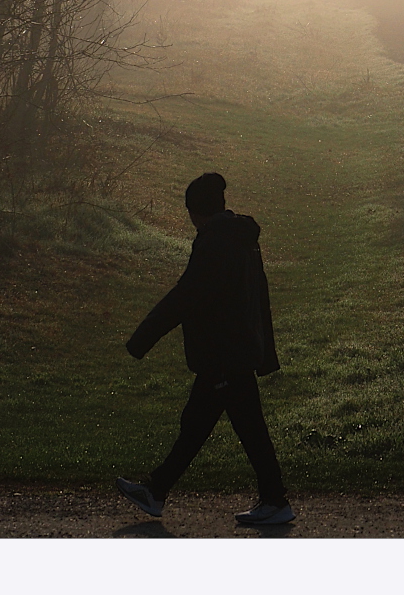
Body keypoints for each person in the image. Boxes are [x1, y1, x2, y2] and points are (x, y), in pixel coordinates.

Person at [115, 172, 293, 527]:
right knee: (201, 425)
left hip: (223, 354)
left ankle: (274, 500)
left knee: (240, 429)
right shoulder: (241, 238)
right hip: (236, 350)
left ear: (196, 211)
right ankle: (157, 490)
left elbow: (185, 296)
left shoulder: (214, 243)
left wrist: (141, 339)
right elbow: (257, 295)